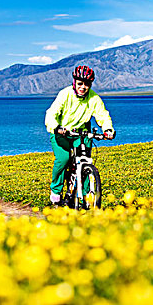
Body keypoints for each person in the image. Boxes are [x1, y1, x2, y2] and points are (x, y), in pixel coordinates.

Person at [45, 65, 115, 205]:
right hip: (61, 131)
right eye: (80, 83)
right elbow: (51, 114)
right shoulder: (65, 94)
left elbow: (102, 115)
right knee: (63, 159)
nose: (83, 87)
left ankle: (87, 198)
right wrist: (56, 127)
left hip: (80, 133)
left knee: (85, 160)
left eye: (87, 84)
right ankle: (56, 192)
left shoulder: (94, 98)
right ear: (74, 82)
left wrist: (108, 129)